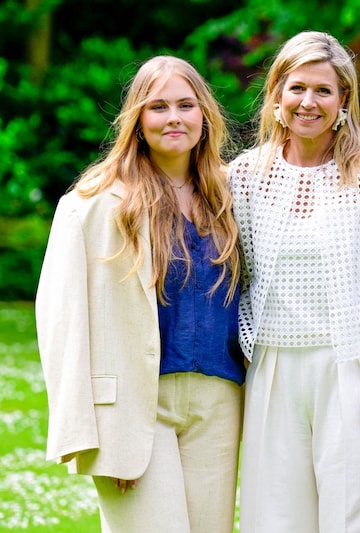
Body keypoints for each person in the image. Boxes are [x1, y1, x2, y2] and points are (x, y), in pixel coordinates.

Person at [35, 55, 243, 533]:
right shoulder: (91, 204)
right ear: (137, 120)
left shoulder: (233, 196)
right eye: (159, 106)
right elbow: (60, 321)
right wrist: (88, 432)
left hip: (219, 404)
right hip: (133, 408)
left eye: (186, 105)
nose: (174, 117)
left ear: (205, 116)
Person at [227, 31, 360, 532]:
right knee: (274, 516)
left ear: (344, 99)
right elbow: (238, 271)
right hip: (272, 365)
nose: (309, 102)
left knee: (351, 514)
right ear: (277, 95)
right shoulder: (244, 175)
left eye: (324, 90)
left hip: (353, 365)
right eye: (297, 88)